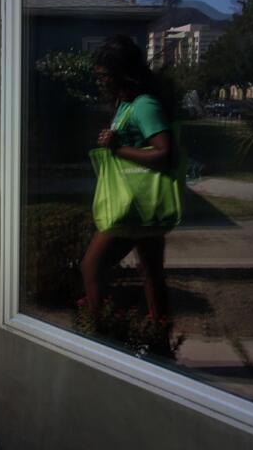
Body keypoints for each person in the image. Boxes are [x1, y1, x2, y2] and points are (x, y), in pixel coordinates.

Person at [80, 35, 174, 322]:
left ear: (123, 74)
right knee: (152, 275)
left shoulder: (145, 105)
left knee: (91, 268)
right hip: (139, 204)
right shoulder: (127, 104)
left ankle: (103, 334)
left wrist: (117, 148)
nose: (100, 81)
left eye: (104, 75)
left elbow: (167, 155)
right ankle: (159, 342)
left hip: (132, 205)